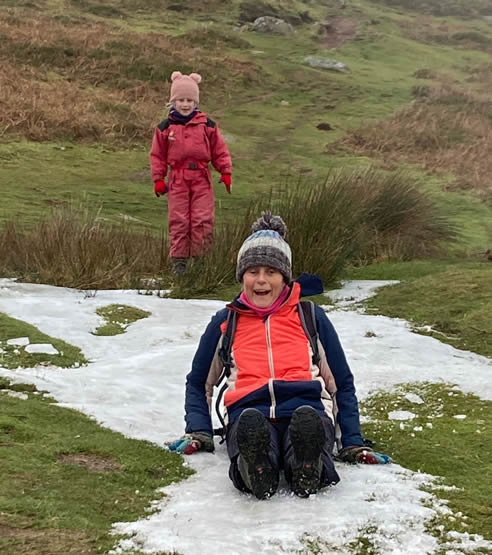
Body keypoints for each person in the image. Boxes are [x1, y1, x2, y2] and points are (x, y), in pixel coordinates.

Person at [168, 212, 390, 499]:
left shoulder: (310, 317)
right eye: (253, 272)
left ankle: (309, 466)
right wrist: (198, 431)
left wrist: (352, 442)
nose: (261, 280)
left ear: (284, 277)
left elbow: (341, 384)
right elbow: (200, 382)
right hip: (249, 413)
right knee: (251, 431)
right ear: (241, 276)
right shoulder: (226, 322)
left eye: (270, 272)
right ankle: (256, 470)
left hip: (306, 408)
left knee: (307, 426)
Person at [150, 71, 232, 275]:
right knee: (179, 220)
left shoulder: (208, 126)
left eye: (189, 100)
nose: (185, 104)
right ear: (173, 101)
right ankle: (179, 263)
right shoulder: (164, 127)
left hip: (202, 179)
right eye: (181, 100)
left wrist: (225, 171)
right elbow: (157, 155)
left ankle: (201, 262)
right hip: (177, 180)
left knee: (202, 220)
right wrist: (158, 179)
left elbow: (219, 150)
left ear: (196, 102)